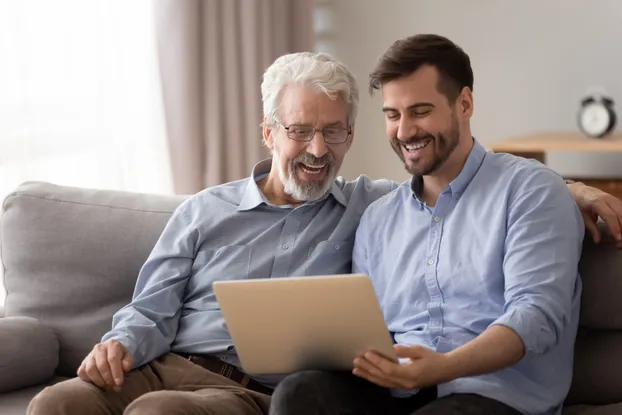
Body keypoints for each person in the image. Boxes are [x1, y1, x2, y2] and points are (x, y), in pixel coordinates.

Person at [27, 48, 622, 415]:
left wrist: (565, 188)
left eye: (335, 132)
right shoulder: (203, 211)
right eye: (301, 131)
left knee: (160, 412)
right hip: (164, 363)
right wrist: (119, 343)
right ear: (269, 132)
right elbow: (150, 309)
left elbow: (463, 189)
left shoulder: (370, 205)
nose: (318, 150)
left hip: (244, 390)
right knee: (58, 401)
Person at [269, 34, 593, 415]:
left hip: (491, 395)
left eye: (420, 111)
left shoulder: (531, 191)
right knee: (299, 394)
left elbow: (537, 315)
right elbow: (368, 330)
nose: (405, 131)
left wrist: (442, 368)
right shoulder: (378, 217)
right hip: (395, 392)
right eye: (393, 115)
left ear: (465, 104)